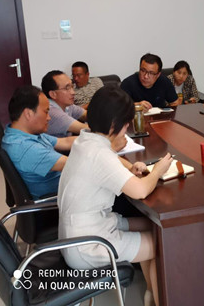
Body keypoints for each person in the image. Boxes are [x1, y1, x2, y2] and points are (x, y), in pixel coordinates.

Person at [58, 86, 172, 306]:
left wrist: (129, 168)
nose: (127, 128)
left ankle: (150, 293)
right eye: (126, 123)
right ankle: (157, 298)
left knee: (152, 226)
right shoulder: (98, 153)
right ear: (113, 125)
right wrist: (158, 170)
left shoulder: (86, 139)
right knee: (161, 243)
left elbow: (109, 159)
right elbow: (141, 190)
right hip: (88, 244)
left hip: (81, 230)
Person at [2, 85, 76, 199]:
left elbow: (65, 141)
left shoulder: (22, 134)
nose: (49, 118)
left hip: (66, 187)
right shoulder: (26, 147)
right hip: (58, 199)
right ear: (28, 114)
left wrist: (97, 138)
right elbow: (74, 164)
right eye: (46, 112)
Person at [41, 70, 88, 137]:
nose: (73, 92)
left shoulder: (67, 105)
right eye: (67, 88)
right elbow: (87, 129)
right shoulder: (51, 112)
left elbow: (88, 115)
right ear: (53, 94)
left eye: (72, 86)